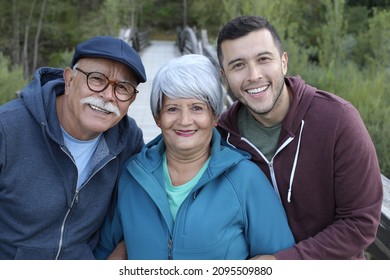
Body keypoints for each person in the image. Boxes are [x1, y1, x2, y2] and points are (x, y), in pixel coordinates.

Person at [94, 54, 295, 260]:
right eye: (172, 109)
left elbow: (280, 259)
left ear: (214, 116)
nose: (185, 120)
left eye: (197, 108)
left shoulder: (246, 180)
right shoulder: (133, 176)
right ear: (157, 118)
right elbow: (104, 251)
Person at [216, 15, 383, 259]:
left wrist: (283, 263)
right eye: (238, 65)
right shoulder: (222, 137)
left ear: (283, 62)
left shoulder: (338, 120)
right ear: (224, 76)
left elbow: (360, 222)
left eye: (263, 59)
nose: (254, 75)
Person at [0, 36, 147, 259]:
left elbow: (145, 205)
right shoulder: (7, 129)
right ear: (69, 80)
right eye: (97, 79)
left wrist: (122, 252)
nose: (108, 96)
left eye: (123, 88)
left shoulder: (128, 139)